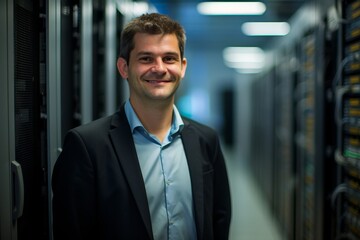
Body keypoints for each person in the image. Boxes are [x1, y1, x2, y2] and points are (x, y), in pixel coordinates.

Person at [52, 13, 231, 240]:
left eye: (169, 58)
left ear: (182, 67)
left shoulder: (206, 139)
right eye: (146, 59)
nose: (159, 68)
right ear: (124, 67)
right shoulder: (87, 146)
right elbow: (72, 231)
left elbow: (219, 219)